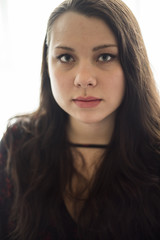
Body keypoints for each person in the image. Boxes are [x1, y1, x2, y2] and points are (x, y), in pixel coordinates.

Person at [0, 0, 160, 239]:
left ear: (132, 64)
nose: (83, 79)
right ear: (47, 64)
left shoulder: (155, 155)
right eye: (66, 57)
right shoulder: (17, 144)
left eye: (105, 56)